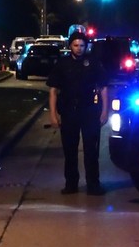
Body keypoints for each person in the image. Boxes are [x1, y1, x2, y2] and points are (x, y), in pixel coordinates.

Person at [47, 31, 110, 195]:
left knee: (91, 150)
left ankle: (93, 184)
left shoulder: (94, 63)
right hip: (69, 113)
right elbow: (53, 90)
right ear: (70, 46)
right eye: (76, 45)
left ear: (86, 46)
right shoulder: (62, 64)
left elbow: (103, 88)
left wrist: (104, 111)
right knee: (70, 151)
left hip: (90, 111)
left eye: (82, 45)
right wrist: (53, 114)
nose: (79, 48)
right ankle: (71, 184)